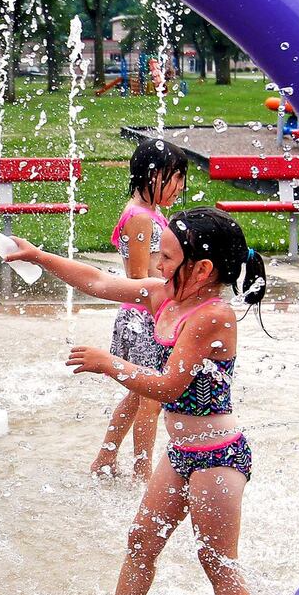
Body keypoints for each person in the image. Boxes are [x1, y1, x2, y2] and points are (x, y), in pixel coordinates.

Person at [2, 208, 267, 595]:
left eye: (167, 256)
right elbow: (100, 283)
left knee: (217, 560)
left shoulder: (213, 316)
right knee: (142, 541)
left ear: (202, 268)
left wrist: (109, 364)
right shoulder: (165, 295)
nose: (156, 264)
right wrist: (39, 256)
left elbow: (167, 387)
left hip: (218, 458)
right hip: (183, 454)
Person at [92, 137, 187, 480]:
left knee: (137, 394)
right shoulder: (139, 218)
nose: (179, 186)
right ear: (151, 175)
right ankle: (143, 470)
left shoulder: (151, 213)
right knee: (151, 396)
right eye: (173, 177)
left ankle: (105, 457)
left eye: (180, 178)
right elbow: (136, 277)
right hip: (144, 318)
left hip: (150, 314)